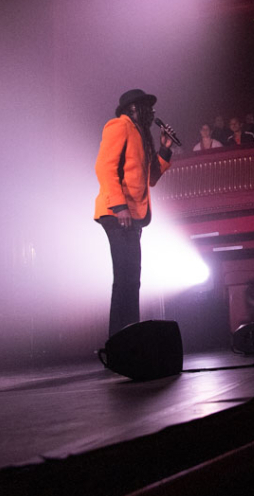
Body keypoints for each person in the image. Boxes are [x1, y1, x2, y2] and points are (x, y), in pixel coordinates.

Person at [94, 89, 174, 338]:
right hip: (117, 213)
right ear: (132, 109)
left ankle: (128, 338)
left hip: (131, 216)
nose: (151, 112)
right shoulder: (119, 126)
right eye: (146, 107)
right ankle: (119, 341)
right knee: (125, 279)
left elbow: (149, 179)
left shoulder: (141, 135)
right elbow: (104, 167)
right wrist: (120, 207)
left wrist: (164, 151)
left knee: (132, 279)